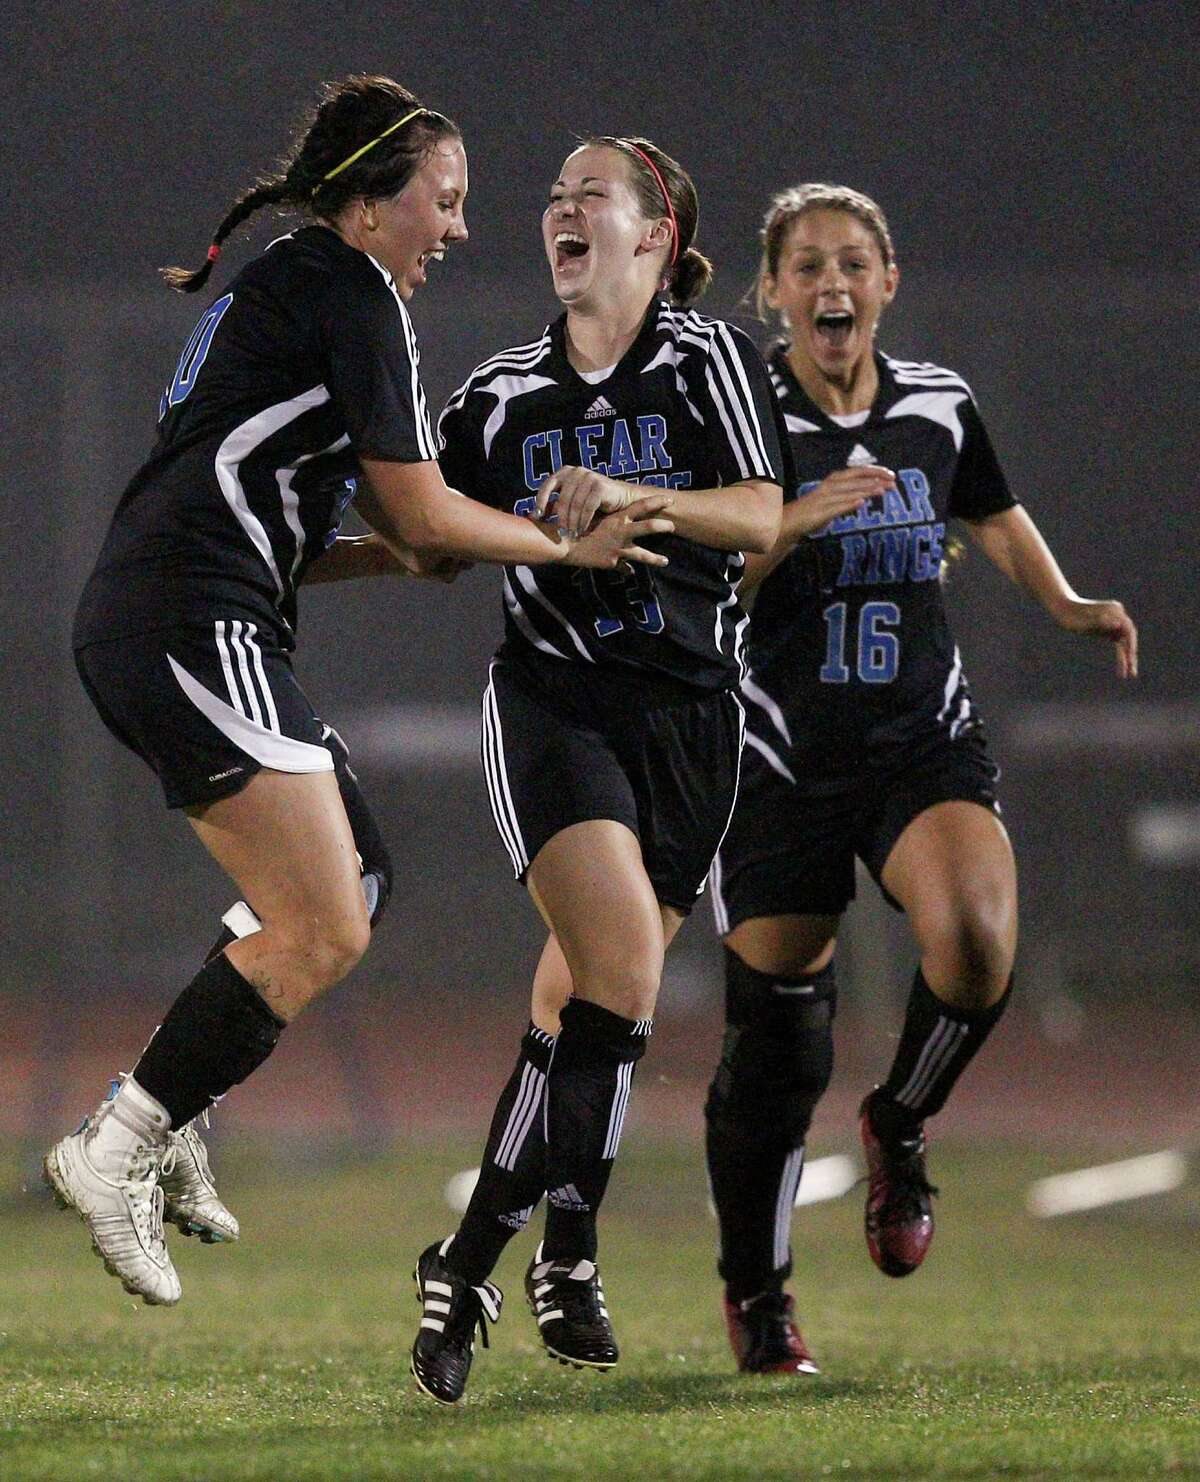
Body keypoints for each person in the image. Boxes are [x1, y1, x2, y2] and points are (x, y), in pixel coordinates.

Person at [44, 76, 670, 1309]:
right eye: (444, 199)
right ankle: (116, 1144)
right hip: (188, 615)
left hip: (192, 610)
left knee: (360, 882)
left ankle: (168, 1114)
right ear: (373, 201)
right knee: (321, 921)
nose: (457, 226)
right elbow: (428, 510)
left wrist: (438, 539)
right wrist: (561, 543)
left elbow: (388, 529)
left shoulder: (296, 286)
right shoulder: (355, 291)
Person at [704, 182, 1139, 1374]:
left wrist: (1064, 603)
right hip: (778, 758)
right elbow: (704, 587)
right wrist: (795, 519)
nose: (832, 284)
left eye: (854, 262)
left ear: (889, 281)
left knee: (980, 938)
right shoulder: (743, 416)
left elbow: (989, 508)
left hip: (918, 742)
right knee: (775, 1059)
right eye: (808, 266)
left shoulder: (938, 403)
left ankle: (899, 1121)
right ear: (774, 291)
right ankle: (761, 1293)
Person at [408, 135, 789, 1404]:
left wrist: (632, 498)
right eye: (553, 194)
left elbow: (759, 512)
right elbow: (427, 537)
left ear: (656, 236)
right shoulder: (496, 397)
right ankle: (568, 1245)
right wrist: (287, 556)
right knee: (622, 967)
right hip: (555, 704)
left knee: (579, 1005)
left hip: (689, 721)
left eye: (592, 196)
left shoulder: (709, 357)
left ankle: (464, 1265)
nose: (560, 210)